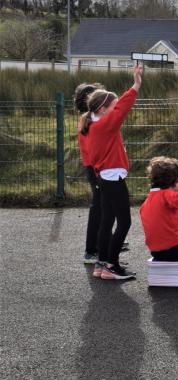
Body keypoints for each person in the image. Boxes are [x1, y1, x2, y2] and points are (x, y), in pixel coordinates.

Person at [82, 63, 142, 280]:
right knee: (124, 222)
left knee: (107, 221)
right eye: (112, 106)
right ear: (101, 110)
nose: (116, 109)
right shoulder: (104, 125)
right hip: (112, 177)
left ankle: (101, 264)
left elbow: (119, 109)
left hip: (105, 177)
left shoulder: (92, 125)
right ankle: (111, 265)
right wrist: (135, 85)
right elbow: (123, 107)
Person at [74, 82, 105, 265]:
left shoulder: (89, 120)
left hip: (96, 167)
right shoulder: (88, 122)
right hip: (95, 168)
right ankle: (91, 250)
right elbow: (93, 151)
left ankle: (101, 243)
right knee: (98, 207)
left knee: (103, 206)